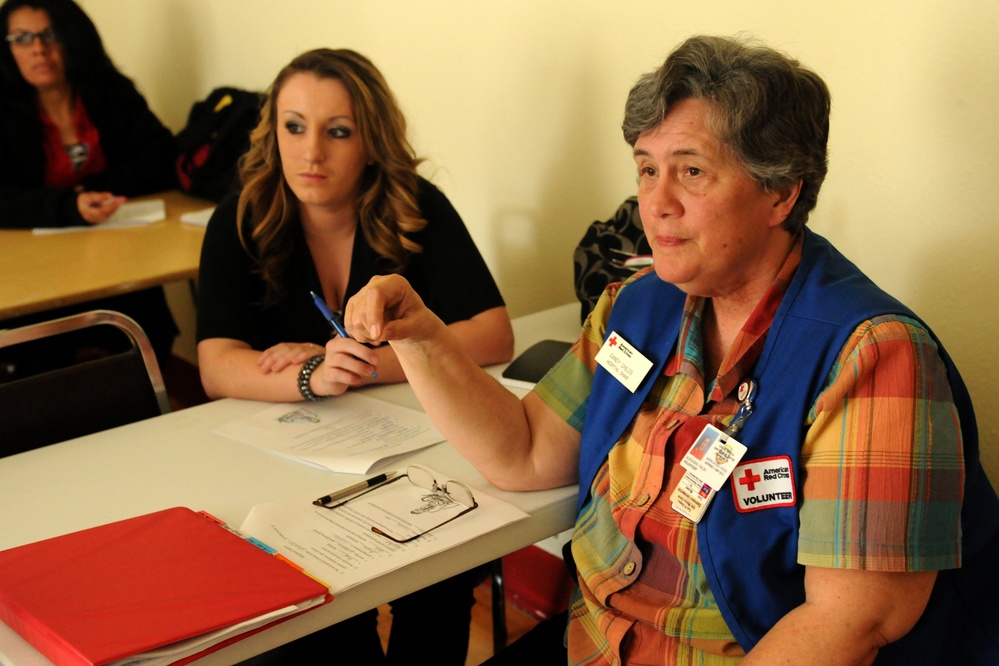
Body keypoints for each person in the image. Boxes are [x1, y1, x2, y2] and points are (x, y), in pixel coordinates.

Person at [343, 35, 999, 664]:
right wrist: (423, 337)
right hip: (597, 645)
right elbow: (523, 451)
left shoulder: (870, 357)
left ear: (780, 193)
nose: (654, 204)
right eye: (646, 169)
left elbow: (850, 625)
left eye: (690, 171)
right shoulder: (636, 305)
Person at [196, 48, 513, 664]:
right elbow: (215, 363)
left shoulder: (416, 205)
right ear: (272, 133)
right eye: (294, 127)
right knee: (324, 611)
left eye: (336, 132)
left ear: (371, 141)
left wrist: (358, 363)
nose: (311, 152)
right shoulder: (241, 214)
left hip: (409, 453)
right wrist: (314, 375)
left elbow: (494, 334)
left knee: (441, 580)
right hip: (284, 470)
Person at [0, 0, 178, 366]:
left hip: (119, 251)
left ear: (72, 38)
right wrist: (68, 205)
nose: (38, 49)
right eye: (21, 38)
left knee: (148, 332)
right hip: (34, 268)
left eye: (49, 35)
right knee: (50, 361)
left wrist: (95, 190)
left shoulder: (111, 92)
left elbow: (161, 157)